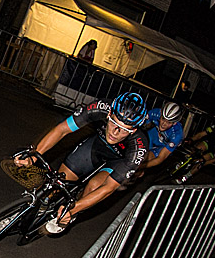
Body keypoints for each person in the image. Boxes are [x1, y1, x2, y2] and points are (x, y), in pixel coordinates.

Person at [15, 92, 149, 233]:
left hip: (116, 161)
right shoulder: (100, 107)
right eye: (114, 123)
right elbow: (62, 130)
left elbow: (108, 188)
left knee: (94, 186)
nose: (115, 132)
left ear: (133, 130)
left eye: (124, 130)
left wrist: (73, 210)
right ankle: (26, 210)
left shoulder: (139, 147)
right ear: (109, 113)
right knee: (59, 181)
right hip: (96, 147)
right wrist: (33, 157)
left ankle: (70, 215)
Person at [122, 101, 184, 188]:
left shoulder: (177, 134)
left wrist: (141, 166)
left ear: (174, 123)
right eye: (162, 119)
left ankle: (130, 179)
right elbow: (140, 126)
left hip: (161, 147)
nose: (163, 123)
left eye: (168, 122)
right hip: (151, 136)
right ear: (161, 113)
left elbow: (160, 158)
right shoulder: (155, 113)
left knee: (143, 160)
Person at [175, 116, 215, 183]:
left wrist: (203, 161)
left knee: (200, 163)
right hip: (209, 143)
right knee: (197, 148)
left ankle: (186, 176)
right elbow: (200, 134)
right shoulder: (214, 127)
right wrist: (191, 139)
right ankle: (184, 161)